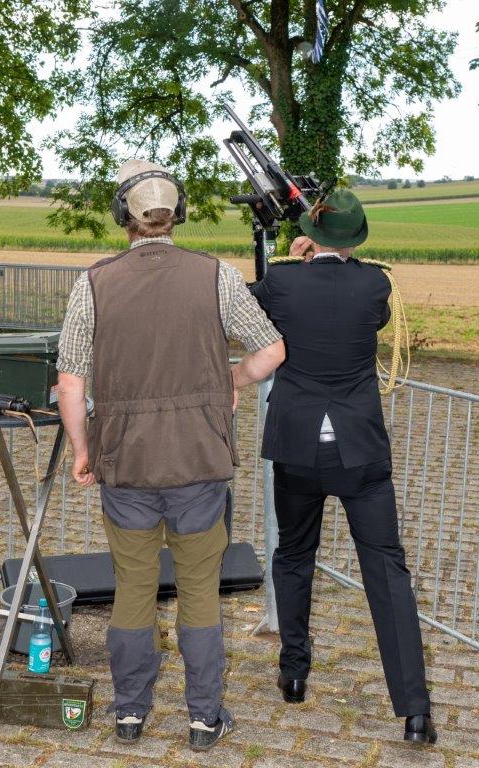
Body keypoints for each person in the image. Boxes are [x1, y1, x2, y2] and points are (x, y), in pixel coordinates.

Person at [57, 159, 285, 751]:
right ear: (177, 214)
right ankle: (204, 718)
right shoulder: (217, 276)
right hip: (199, 463)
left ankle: (130, 713)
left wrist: (82, 450)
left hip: (125, 465)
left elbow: (71, 381)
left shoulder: (93, 284)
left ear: (124, 217)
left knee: (133, 589)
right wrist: (232, 381)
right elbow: (271, 350)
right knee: (200, 590)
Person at [251, 189, 437, 745]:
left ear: (312, 235)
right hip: (359, 449)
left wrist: (295, 260)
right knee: (387, 570)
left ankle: (294, 673)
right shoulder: (375, 283)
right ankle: (415, 711)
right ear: (355, 240)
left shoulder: (284, 281)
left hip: (298, 448)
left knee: (294, 556)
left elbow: (252, 305)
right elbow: (374, 318)